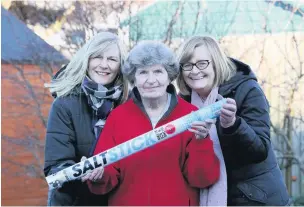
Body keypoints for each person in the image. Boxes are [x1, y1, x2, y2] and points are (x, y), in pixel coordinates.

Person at [84, 41, 220, 206]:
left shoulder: (190, 116)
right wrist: (100, 174)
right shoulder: (118, 117)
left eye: (157, 71)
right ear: (134, 78)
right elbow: (106, 179)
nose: (151, 80)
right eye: (143, 73)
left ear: (169, 76)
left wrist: (201, 140)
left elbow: (202, 179)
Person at [177, 36, 291, 206]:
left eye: (202, 63)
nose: (194, 71)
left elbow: (260, 150)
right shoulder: (182, 104)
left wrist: (233, 125)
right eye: (188, 64)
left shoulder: (246, 90)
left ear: (216, 63)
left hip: (255, 199)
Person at [43, 31, 129, 206]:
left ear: (120, 66)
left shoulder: (128, 105)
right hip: (75, 201)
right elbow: (55, 166)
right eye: (97, 57)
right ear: (87, 60)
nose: (104, 65)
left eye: (112, 59)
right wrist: (80, 170)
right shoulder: (65, 104)